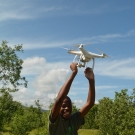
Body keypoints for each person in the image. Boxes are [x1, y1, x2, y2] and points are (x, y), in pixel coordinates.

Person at [48, 62, 95, 135]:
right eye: (63, 106)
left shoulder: (74, 119)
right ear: (59, 108)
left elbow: (90, 104)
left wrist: (91, 80)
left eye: (69, 106)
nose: (67, 108)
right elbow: (59, 100)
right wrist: (73, 73)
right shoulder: (55, 120)